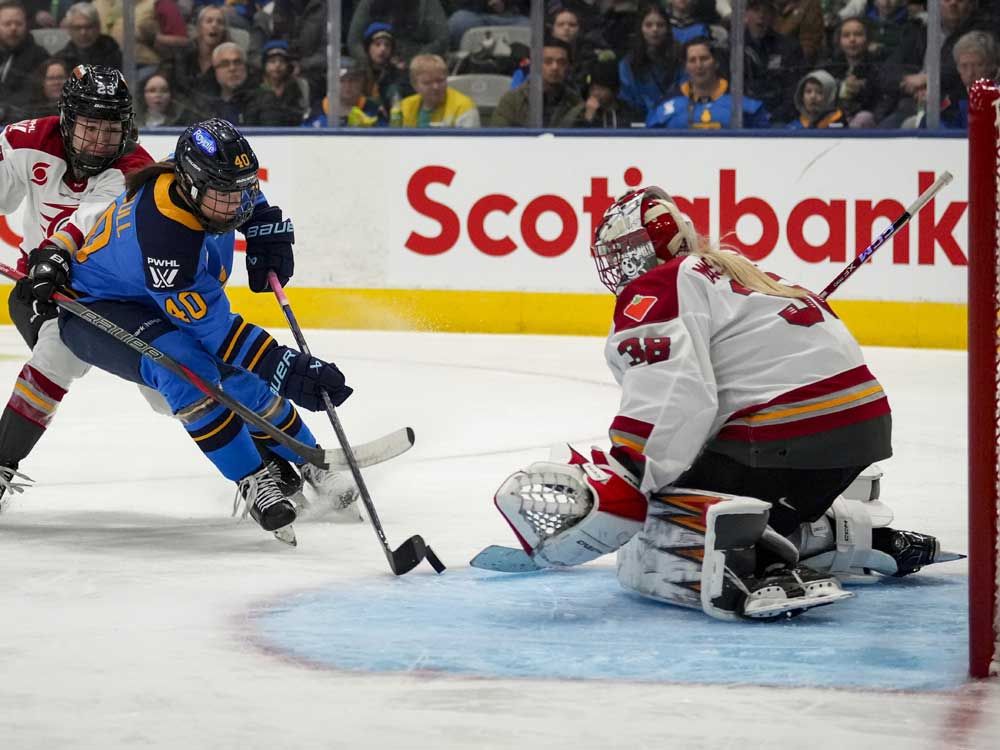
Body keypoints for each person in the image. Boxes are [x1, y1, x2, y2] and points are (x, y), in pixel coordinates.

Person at [484, 186, 958, 621]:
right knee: (709, 483)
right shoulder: (745, 274)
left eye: (626, 254)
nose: (621, 268)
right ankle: (845, 538)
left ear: (656, 248)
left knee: (655, 509)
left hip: (786, 439)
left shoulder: (663, 284)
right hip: (855, 434)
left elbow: (676, 391)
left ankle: (754, 564)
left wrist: (630, 469)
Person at [51, 119, 358, 542]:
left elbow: (243, 189)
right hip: (98, 309)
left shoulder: (206, 177)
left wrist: (263, 223)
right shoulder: (166, 238)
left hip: (150, 294)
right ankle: (254, 479)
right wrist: (287, 367)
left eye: (241, 193)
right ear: (193, 187)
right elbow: (220, 336)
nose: (236, 206)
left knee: (238, 375)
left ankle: (311, 461)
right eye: (225, 197)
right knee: (187, 367)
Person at [0, 65, 153, 506]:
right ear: (67, 119)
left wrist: (54, 257)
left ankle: (265, 461)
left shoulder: (134, 169)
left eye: (111, 130)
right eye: (89, 129)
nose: (100, 143)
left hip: (119, 298)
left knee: (170, 392)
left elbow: (87, 221)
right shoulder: (27, 141)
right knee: (53, 356)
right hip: (45, 292)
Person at [646, 37, 770, 128]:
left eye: (704, 59)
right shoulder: (664, 107)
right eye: (692, 60)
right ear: (685, 67)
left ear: (716, 62)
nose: (699, 65)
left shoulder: (745, 104)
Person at [491, 37, 581, 127]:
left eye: (561, 62)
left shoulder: (576, 102)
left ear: (568, 67)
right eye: (548, 61)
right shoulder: (512, 101)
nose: (555, 67)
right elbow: (499, 138)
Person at [617, 3, 678, 122]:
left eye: (660, 25)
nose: (654, 29)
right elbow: (628, 101)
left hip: (674, 121)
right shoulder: (626, 65)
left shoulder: (681, 60)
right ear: (640, 29)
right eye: (648, 25)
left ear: (668, 29)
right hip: (639, 124)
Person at [0, 0, 49, 124]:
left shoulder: (40, 56)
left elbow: (33, 96)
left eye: (18, 23)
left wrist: (4, 110)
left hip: (21, 124)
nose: (13, 28)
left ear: (26, 25)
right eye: (7, 24)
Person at [303, 56, 386, 128]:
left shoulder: (373, 111)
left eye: (354, 80)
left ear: (362, 82)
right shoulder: (316, 111)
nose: (348, 85)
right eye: (341, 80)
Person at [399, 53, 480, 128]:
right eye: (428, 83)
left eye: (440, 80)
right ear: (414, 85)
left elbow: (468, 142)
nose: (436, 87)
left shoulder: (464, 106)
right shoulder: (405, 106)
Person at [244, 40, 307, 126]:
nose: (277, 65)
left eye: (282, 61)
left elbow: (302, 114)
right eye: (272, 61)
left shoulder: (297, 87)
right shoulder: (254, 87)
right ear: (264, 64)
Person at [55, 2, 122, 70]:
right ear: (69, 30)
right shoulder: (61, 61)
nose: (83, 32)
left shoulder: (115, 55)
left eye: (89, 27)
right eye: (77, 28)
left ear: (98, 27)